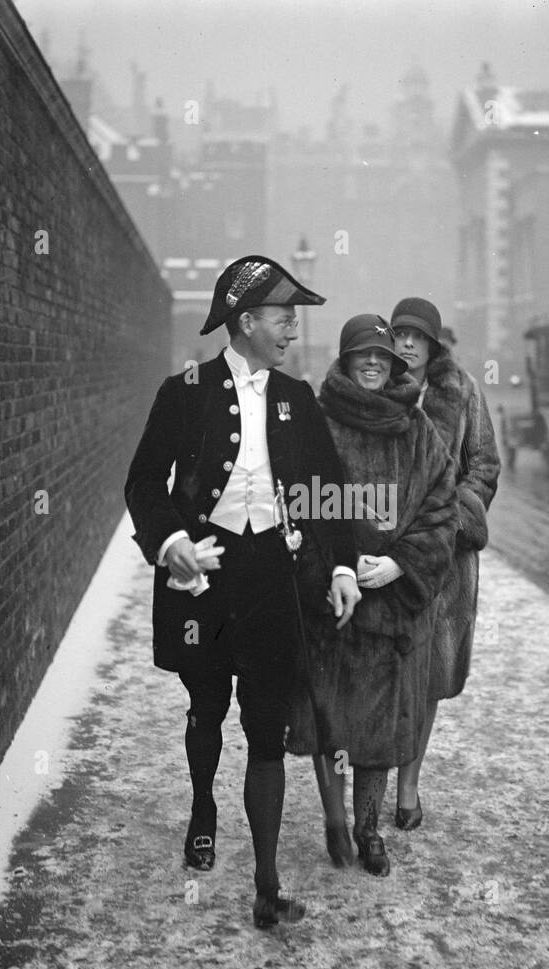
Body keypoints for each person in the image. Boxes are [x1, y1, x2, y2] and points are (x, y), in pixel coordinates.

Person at [124, 255, 361, 929]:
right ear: (247, 321)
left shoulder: (297, 399)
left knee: (265, 727)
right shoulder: (186, 391)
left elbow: (330, 494)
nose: (292, 329)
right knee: (206, 706)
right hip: (203, 579)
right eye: (283, 317)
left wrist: (342, 567)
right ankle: (203, 802)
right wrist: (171, 545)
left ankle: (266, 882)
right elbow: (143, 484)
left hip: (271, 581)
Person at [287, 315, 457, 874]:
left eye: (383, 358)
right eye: (363, 355)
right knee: (329, 721)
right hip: (330, 606)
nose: (374, 364)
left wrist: (400, 565)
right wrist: (331, 568)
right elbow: (297, 505)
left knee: (379, 729)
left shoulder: (418, 430)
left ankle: (368, 829)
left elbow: (442, 510)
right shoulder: (315, 422)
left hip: (392, 609)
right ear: (344, 357)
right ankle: (336, 822)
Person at [388, 297, 500, 830]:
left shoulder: (463, 392)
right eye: (400, 334)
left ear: (434, 344)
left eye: (418, 336)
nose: (407, 344)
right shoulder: (377, 388)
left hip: (446, 563)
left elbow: (484, 463)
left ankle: (408, 787)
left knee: (430, 674)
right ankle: (370, 780)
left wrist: (454, 513)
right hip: (386, 556)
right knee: (386, 671)